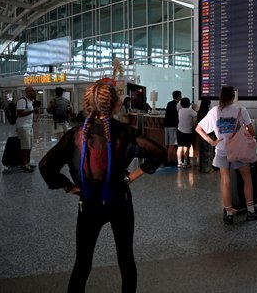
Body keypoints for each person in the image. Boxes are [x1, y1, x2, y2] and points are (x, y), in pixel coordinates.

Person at [39, 79, 166, 293]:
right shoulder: (125, 133)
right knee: (126, 260)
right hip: (120, 201)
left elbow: (45, 166)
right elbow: (159, 152)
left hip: (88, 202)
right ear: (115, 104)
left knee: (82, 263)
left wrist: (69, 187)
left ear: (87, 103)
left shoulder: (76, 135)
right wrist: (132, 176)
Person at [195, 85, 257, 224]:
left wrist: (212, 141)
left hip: (221, 150)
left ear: (221, 96)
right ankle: (251, 211)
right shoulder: (240, 109)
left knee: (225, 182)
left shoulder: (214, 111)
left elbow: (199, 128)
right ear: (233, 96)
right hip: (238, 151)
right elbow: (251, 132)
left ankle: (228, 213)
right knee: (247, 179)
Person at [16, 85, 39, 173]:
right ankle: (24, 164)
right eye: (32, 91)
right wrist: (32, 111)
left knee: (29, 146)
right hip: (23, 126)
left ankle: (27, 163)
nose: (34, 92)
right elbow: (19, 113)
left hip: (29, 126)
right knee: (25, 147)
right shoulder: (22, 101)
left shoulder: (31, 101)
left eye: (34, 91)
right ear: (27, 92)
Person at [176, 97, 197, 169]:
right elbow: (196, 114)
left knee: (179, 147)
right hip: (188, 132)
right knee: (186, 148)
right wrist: (195, 107)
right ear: (189, 103)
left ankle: (179, 163)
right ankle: (185, 163)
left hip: (179, 131)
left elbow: (178, 105)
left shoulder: (180, 110)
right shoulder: (190, 111)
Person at [197, 98, 215, 173]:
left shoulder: (200, 112)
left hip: (201, 134)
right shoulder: (208, 113)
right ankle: (207, 168)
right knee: (208, 151)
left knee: (202, 151)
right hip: (209, 134)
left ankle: (202, 167)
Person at [164, 90, 182, 166]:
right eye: (180, 96)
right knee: (172, 144)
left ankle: (165, 159)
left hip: (166, 126)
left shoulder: (169, 103)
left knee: (167, 144)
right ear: (178, 97)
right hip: (173, 126)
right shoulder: (178, 104)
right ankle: (169, 160)